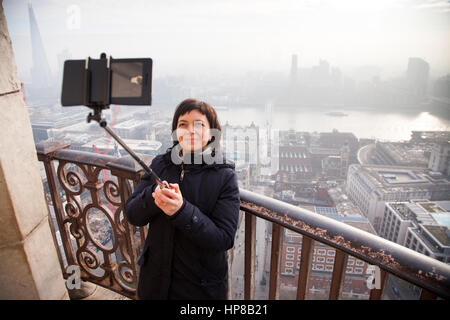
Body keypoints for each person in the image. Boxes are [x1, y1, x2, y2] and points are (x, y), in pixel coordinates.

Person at [124, 98, 240, 300]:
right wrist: (155, 195)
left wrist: (181, 210)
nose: (190, 131)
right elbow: (133, 214)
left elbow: (224, 238)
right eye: (182, 125)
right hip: (154, 282)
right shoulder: (161, 164)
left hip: (199, 290)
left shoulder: (224, 176)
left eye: (199, 124)